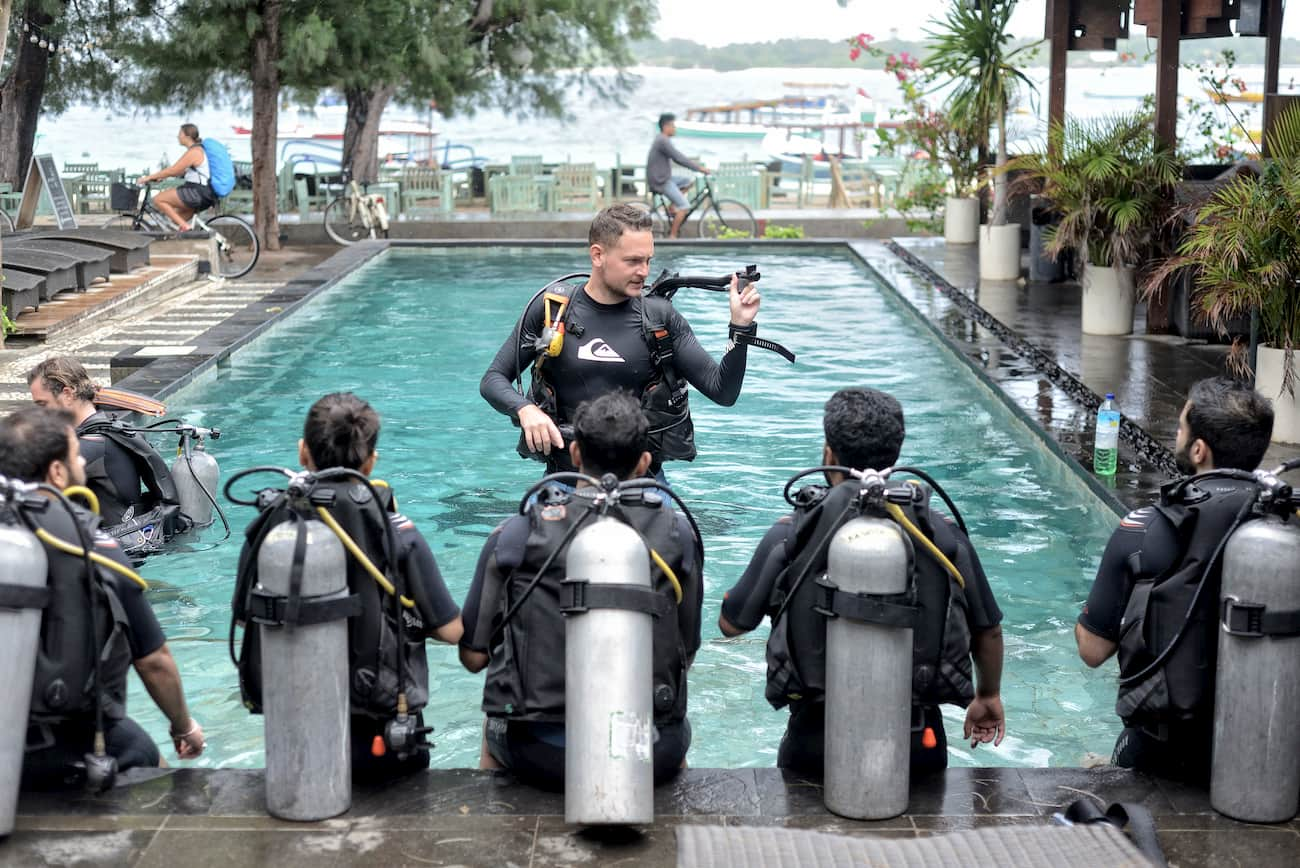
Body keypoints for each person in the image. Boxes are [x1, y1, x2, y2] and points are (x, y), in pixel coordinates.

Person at [719, 387, 1006, 776]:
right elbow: (987, 631)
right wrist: (987, 695)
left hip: (815, 742)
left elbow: (733, 624)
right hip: (918, 741)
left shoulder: (790, 535)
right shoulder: (941, 535)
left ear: (828, 454)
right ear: (896, 455)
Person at [458, 391, 704, 790]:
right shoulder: (677, 534)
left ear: (574, 455)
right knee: (672, 728)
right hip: (650, 752)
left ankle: (495, 815)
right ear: (645, 462)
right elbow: (685, 650)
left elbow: (472, 657)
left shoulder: (517, 533)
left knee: (494, 718)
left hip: (540, 753)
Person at [230, 392, 463, 781]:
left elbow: (243, 618)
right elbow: (452, 631)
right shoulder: (398, 533)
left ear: (303, 452)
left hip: (295, 727)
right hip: (382, 735)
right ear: (371, 462)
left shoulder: (271, 527)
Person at [1075, 377, 1274, 784]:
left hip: (1164, 748)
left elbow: (1093, 650)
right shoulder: (1283, 527)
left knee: (1105, 773)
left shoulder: (1144, 528)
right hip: (1267, 741)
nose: (1176, 436)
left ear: (1199, 450)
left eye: (1181, 429)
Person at [480, 203, 761, 479]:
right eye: (633, 261)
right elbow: (493, 379)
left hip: (642, 487)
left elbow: (723, 392)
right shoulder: (553, 310)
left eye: (648, 260)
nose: (644, 271)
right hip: (563, 481)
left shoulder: (659, 318)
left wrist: (741, 327)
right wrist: (525, 409)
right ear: (598, 255)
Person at [0, 407, 204, 787]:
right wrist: (184, 726)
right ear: (57, 473)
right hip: (69, 739)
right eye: (75, 455)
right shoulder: (87, 542)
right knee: (156, 768)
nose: (81, 461)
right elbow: (154, 660)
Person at [28, 356, 183, 545]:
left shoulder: (91, 446)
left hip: (109, 554)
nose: (39, 415)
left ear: (68, 394)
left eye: (43, 405)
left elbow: (29, 488)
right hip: (132, 542)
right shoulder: (112, 430)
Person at [136, 124, 217, 231]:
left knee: (158, 199)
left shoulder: (194, 152)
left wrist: (148, 178)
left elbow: (173, 170)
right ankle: (187, 239)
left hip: (196, 192)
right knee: (175, 220)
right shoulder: (197, 150)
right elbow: (182, 171)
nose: (178, 137)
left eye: (180, 134)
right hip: (202, 193)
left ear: (187, 137)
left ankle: (186, 227)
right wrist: (161, 177)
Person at [647, 112, 710, 239]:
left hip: (664, 177)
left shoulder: (662, 139)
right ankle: (673, 235)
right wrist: (699, 168)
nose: (675, 128)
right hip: (661, 181)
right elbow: (678, 157)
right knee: (685, 206)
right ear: (666, 126)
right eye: (673, 126)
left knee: (689, 181)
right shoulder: (662, 140)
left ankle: (672, 206)